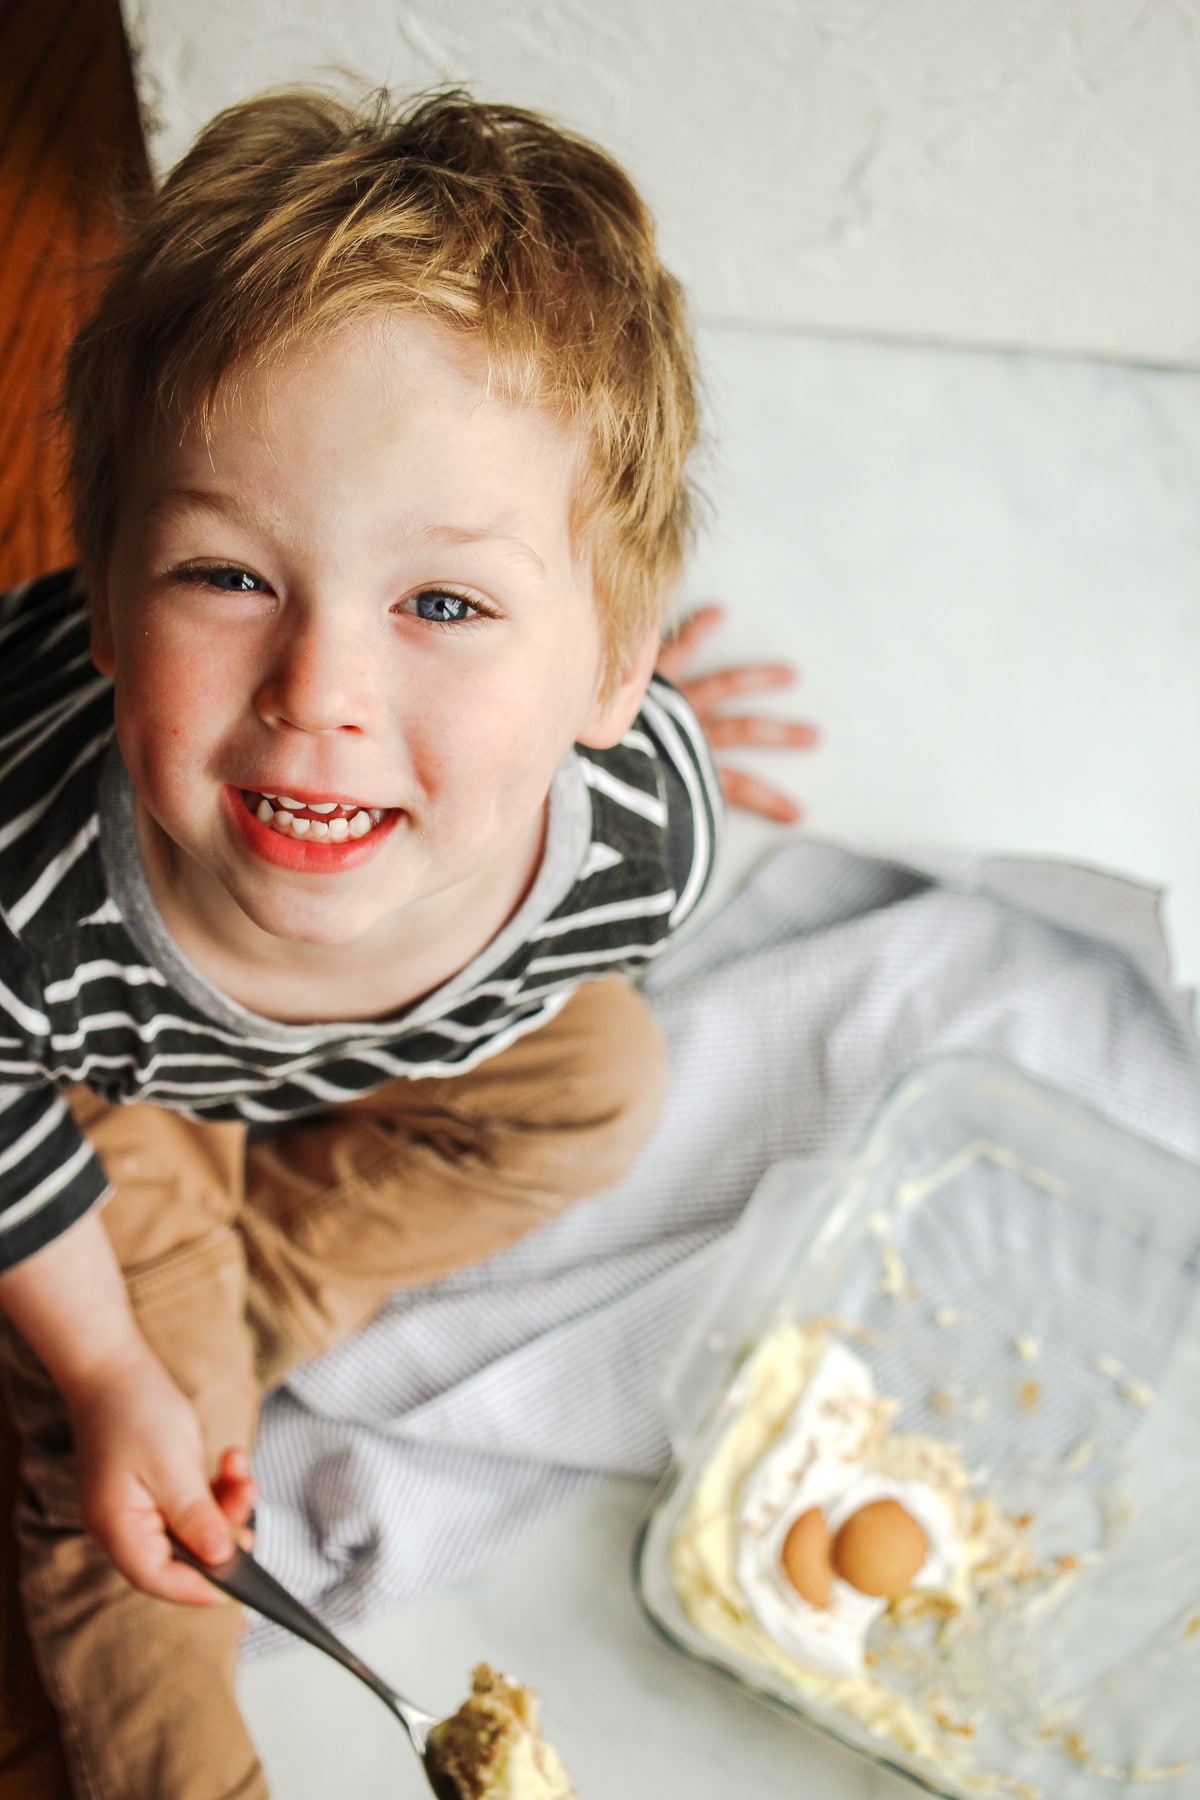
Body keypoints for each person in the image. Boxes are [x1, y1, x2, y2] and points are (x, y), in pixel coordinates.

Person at [0, 88, 815, 1798]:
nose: (321, 700)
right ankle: (170, 1404)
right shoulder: (27, 895)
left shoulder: (638, 844)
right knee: (147, 1511)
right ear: (100, 591)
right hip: (91, 1084)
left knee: (608, 1086)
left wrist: (618, 738)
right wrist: (108, 1366)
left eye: (443, 605)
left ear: (609, 675)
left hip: (375, 1014)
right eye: (227, 577)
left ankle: (228, 1316)